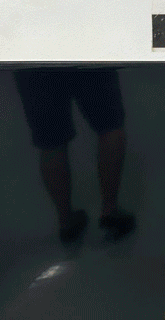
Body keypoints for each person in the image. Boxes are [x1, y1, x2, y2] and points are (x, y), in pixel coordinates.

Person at [14, 66, 135, 244]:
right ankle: (110, 210)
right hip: (85, 53)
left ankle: (66, 222)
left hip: (35, 61)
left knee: (51, 142)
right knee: (110, 124)